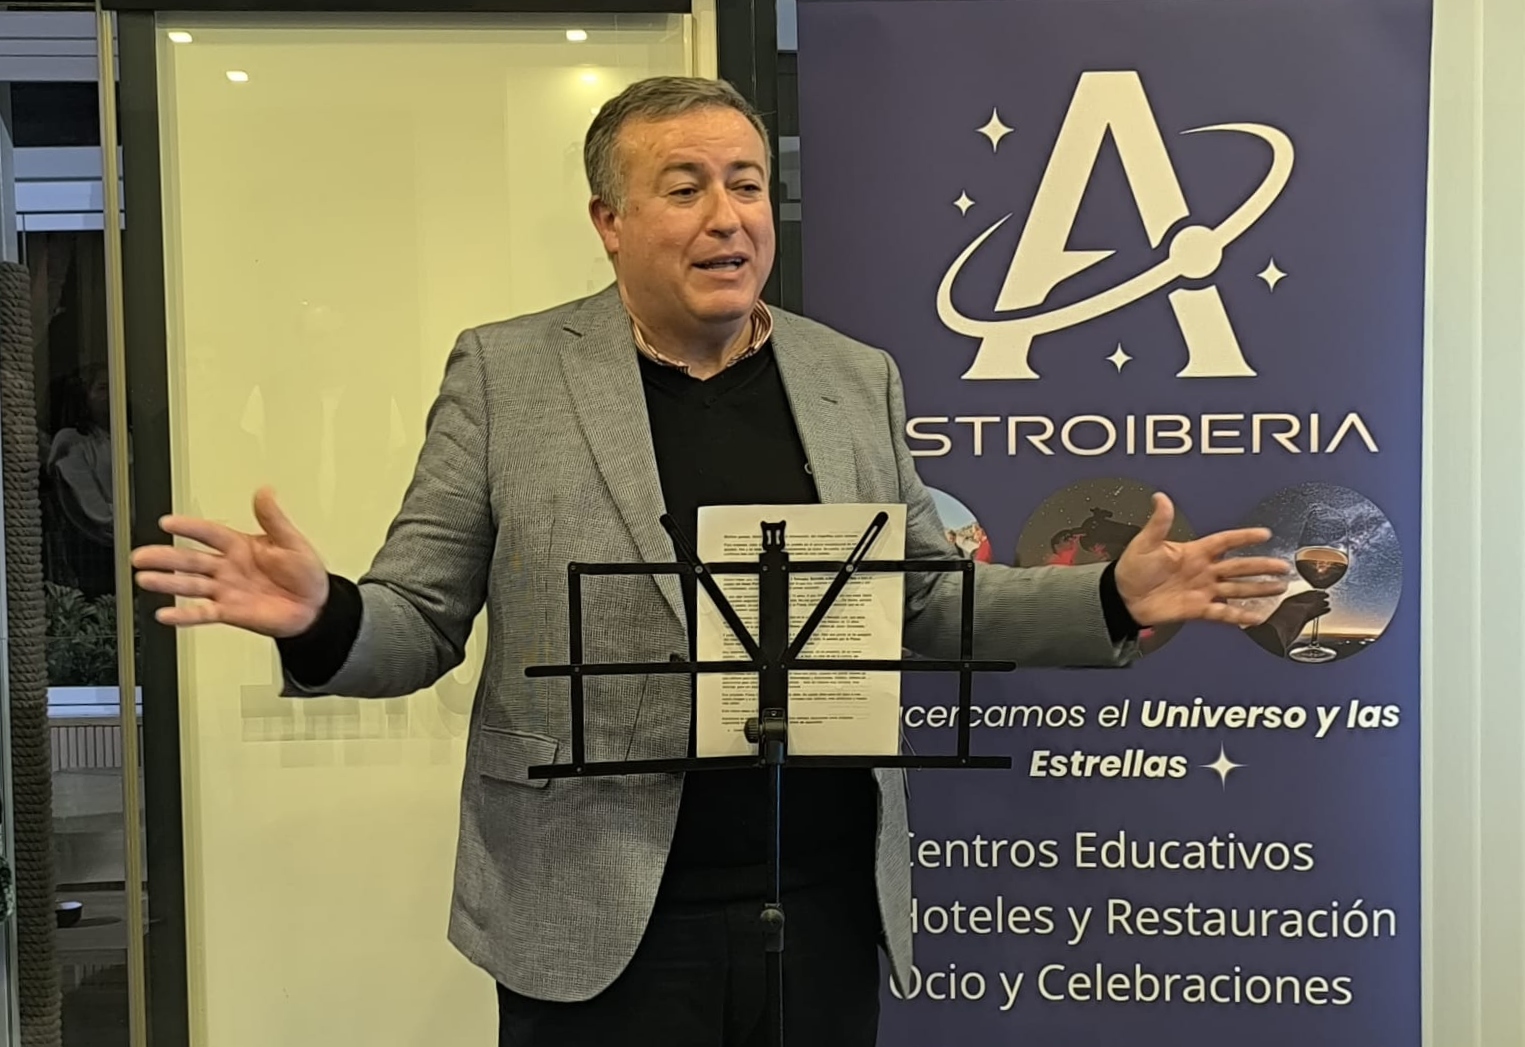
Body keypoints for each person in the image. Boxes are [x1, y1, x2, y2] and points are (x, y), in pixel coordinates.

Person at [130, 76, 1289, 1047]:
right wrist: (324, 616)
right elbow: (419, 619)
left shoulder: (852, 378)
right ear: (609, 221)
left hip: (821, 900)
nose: (727, 217)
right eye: (684, 188)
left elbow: (922, 604)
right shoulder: (506, 374)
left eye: (745, 183)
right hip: (595, 918)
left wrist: (1107, 599)